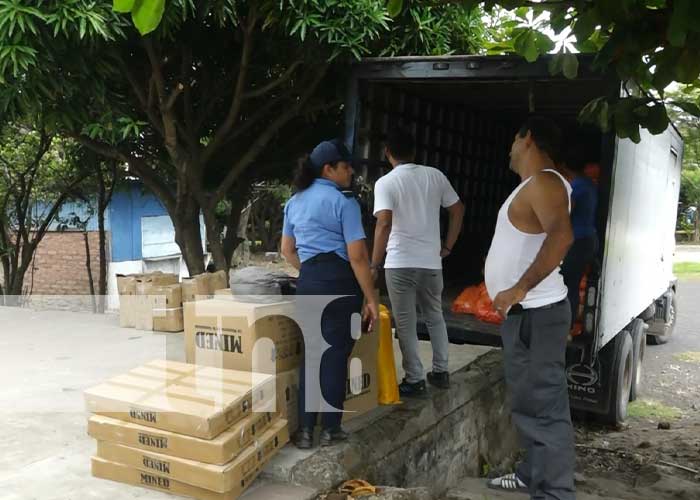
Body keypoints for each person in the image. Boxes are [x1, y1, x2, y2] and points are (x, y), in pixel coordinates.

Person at [484, 117, 576, 500]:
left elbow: (562, 235)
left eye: (513, 138)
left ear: (527, 138)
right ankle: (530, 474)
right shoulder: (533, 186)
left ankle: (555, 493)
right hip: (526, 317)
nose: (509, 147)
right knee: (527, 403)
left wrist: (519, 287)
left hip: (538, 314)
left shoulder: (546, 182)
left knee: (545, 406)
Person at [280, 139, 379, 450]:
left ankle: (306, 432)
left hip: (308, 282)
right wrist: (372, 299)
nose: (350, 171)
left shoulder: (294, 202)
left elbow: (286, 250)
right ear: (329, 169)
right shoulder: (344, 202)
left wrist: (311, 270)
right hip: (341, 284)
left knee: (313, 354)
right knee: (336, 355)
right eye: (346, 166)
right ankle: (330, 429)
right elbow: (358, 256)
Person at [371, 127, 464, 396]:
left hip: (400, 263)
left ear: (387, 152)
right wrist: (448, 245)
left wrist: (375, 263)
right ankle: (441, 371)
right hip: (431, 262)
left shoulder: (386, 183)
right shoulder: (434, 176)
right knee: (435, 316)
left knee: (405, 323)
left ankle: (414, 378)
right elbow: (457, 210)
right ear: (414, 152)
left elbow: (384, 222)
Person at [558, 147, 599, 327]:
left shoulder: (576, 186)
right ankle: (569, 324)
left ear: (565, 166)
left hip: (579, 241)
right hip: (589, 239)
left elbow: (565, 214)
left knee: (568, 284)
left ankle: (566, 327)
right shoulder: (589, 184)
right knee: (572, 283)